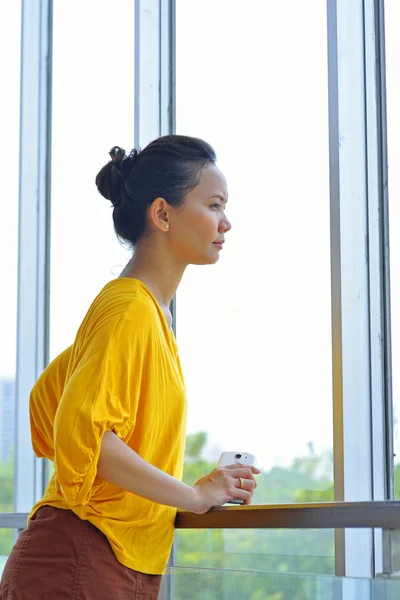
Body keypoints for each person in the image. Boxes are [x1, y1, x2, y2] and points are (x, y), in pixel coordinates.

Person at [0, 135, 260, 600]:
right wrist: (196, 495)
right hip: (83, 556)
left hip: (109, 559)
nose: (227, 222)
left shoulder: (142, 315)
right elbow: (87, 439)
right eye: (215, 205)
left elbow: (47, 407)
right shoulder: (129, 310)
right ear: (162, 214)